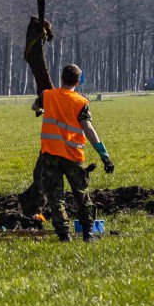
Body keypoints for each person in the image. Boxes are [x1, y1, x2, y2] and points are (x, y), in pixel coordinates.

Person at [36, 62, 115, 242]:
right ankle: (88, 234)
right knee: (82, 195)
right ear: (78, 82)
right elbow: (88, 129)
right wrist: (104, 155)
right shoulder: (81, 102)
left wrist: (41, 109)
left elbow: (35, 106)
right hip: (73, 157)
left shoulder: (47, 96)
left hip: (50, 155)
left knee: (56, 199)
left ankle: (64, 235)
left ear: (61, 78)